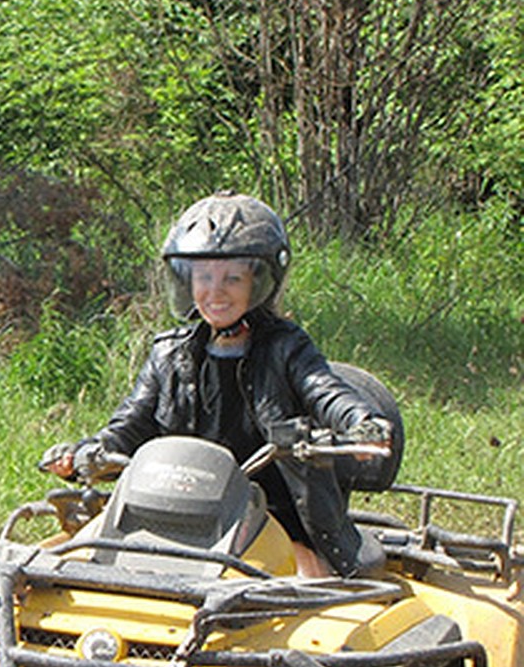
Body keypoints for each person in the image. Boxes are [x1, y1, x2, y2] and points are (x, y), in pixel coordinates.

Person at [40, 190, 392, 578]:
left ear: (260, 281)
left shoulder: (287, 347)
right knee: (75, 564)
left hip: (277, 521)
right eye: (203, 277)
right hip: (176, 516)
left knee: (303, 585)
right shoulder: (168, 355)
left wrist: (362, 423)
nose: (215, 291)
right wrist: (85, 454)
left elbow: (326, 391)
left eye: (232, 278)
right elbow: (129, 427)